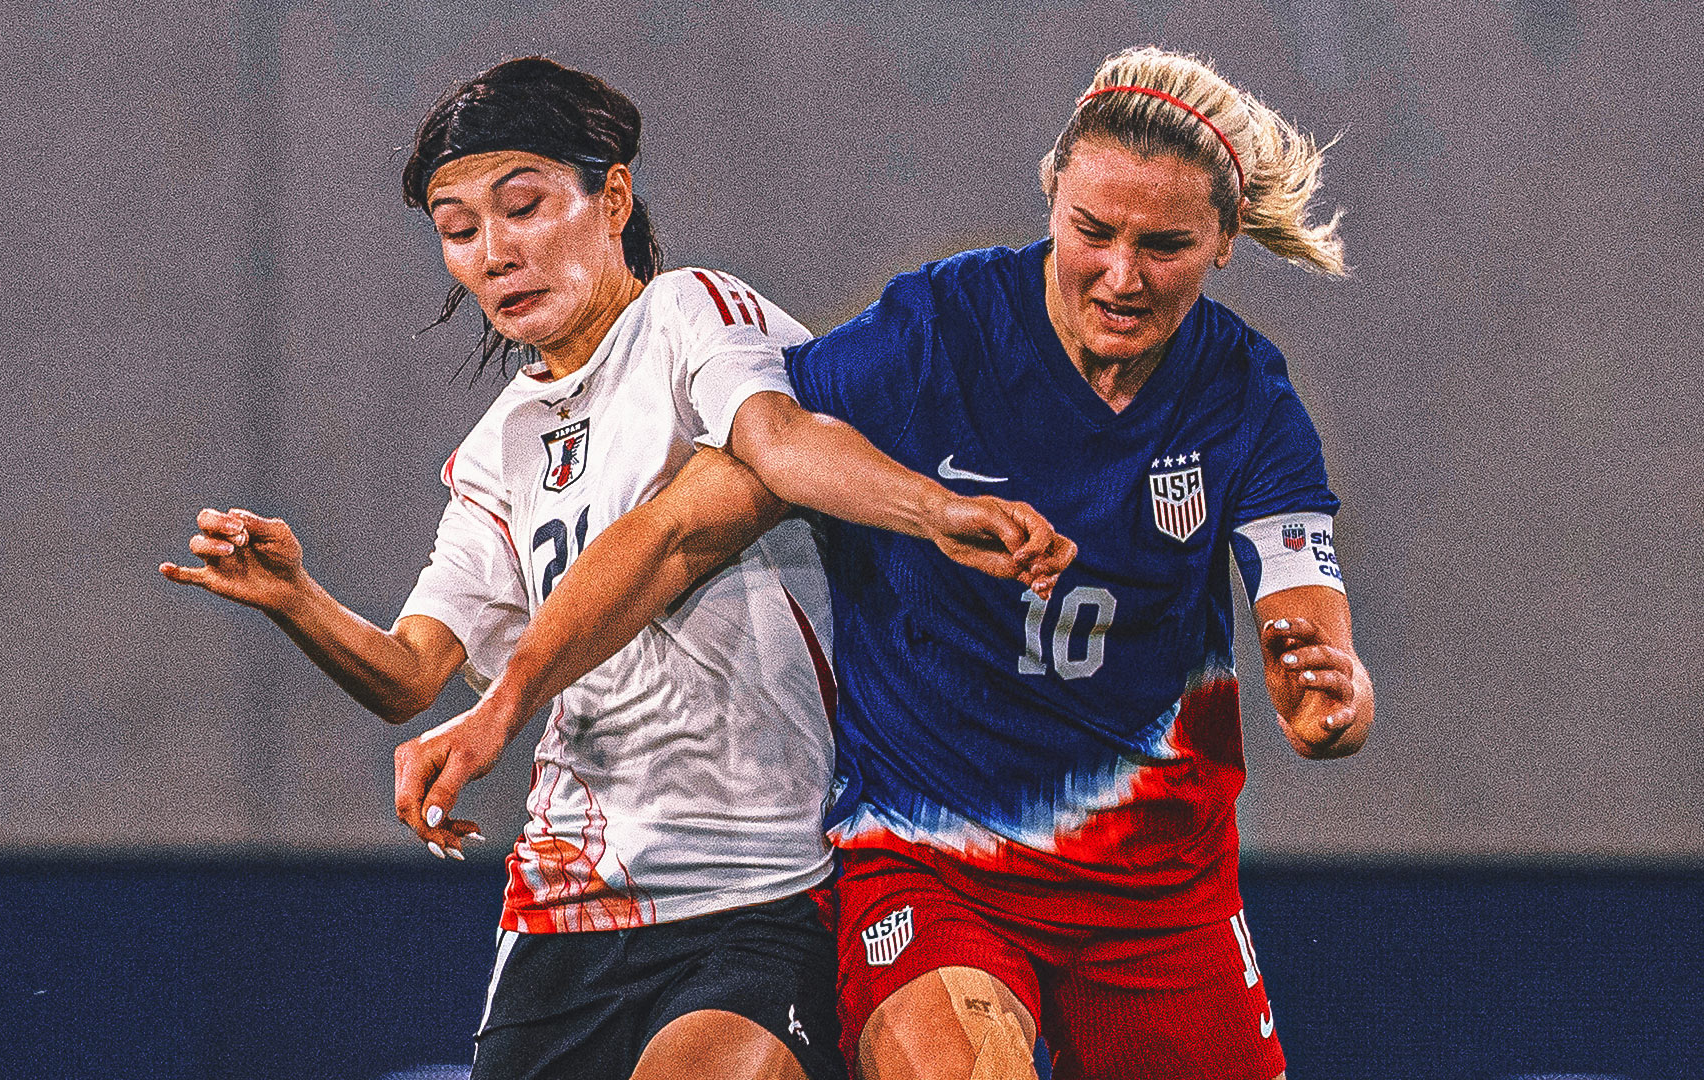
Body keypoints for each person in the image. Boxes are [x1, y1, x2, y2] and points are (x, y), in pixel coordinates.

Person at [160, 57, 1071, 1080]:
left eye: (524, 207)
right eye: (460, 230)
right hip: (568, 905)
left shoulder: (691, 316)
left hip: (763, 889)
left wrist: (934, 510)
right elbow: (409, 674)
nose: (496, 252)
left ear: (614, 198)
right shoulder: (497, 450)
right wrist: (297, 600)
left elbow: (775, 444)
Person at [785, 47, 1375, 1080]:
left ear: (1227, 238)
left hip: (1157, 890)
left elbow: (1308, 628)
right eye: (1092, 232)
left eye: (1165, 245)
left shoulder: (1246, 399)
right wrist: (926, 509)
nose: (1121, 275)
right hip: (932, 858)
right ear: (1051, 196)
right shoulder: (938, 332)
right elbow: (768, 439)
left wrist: (1336, 701)